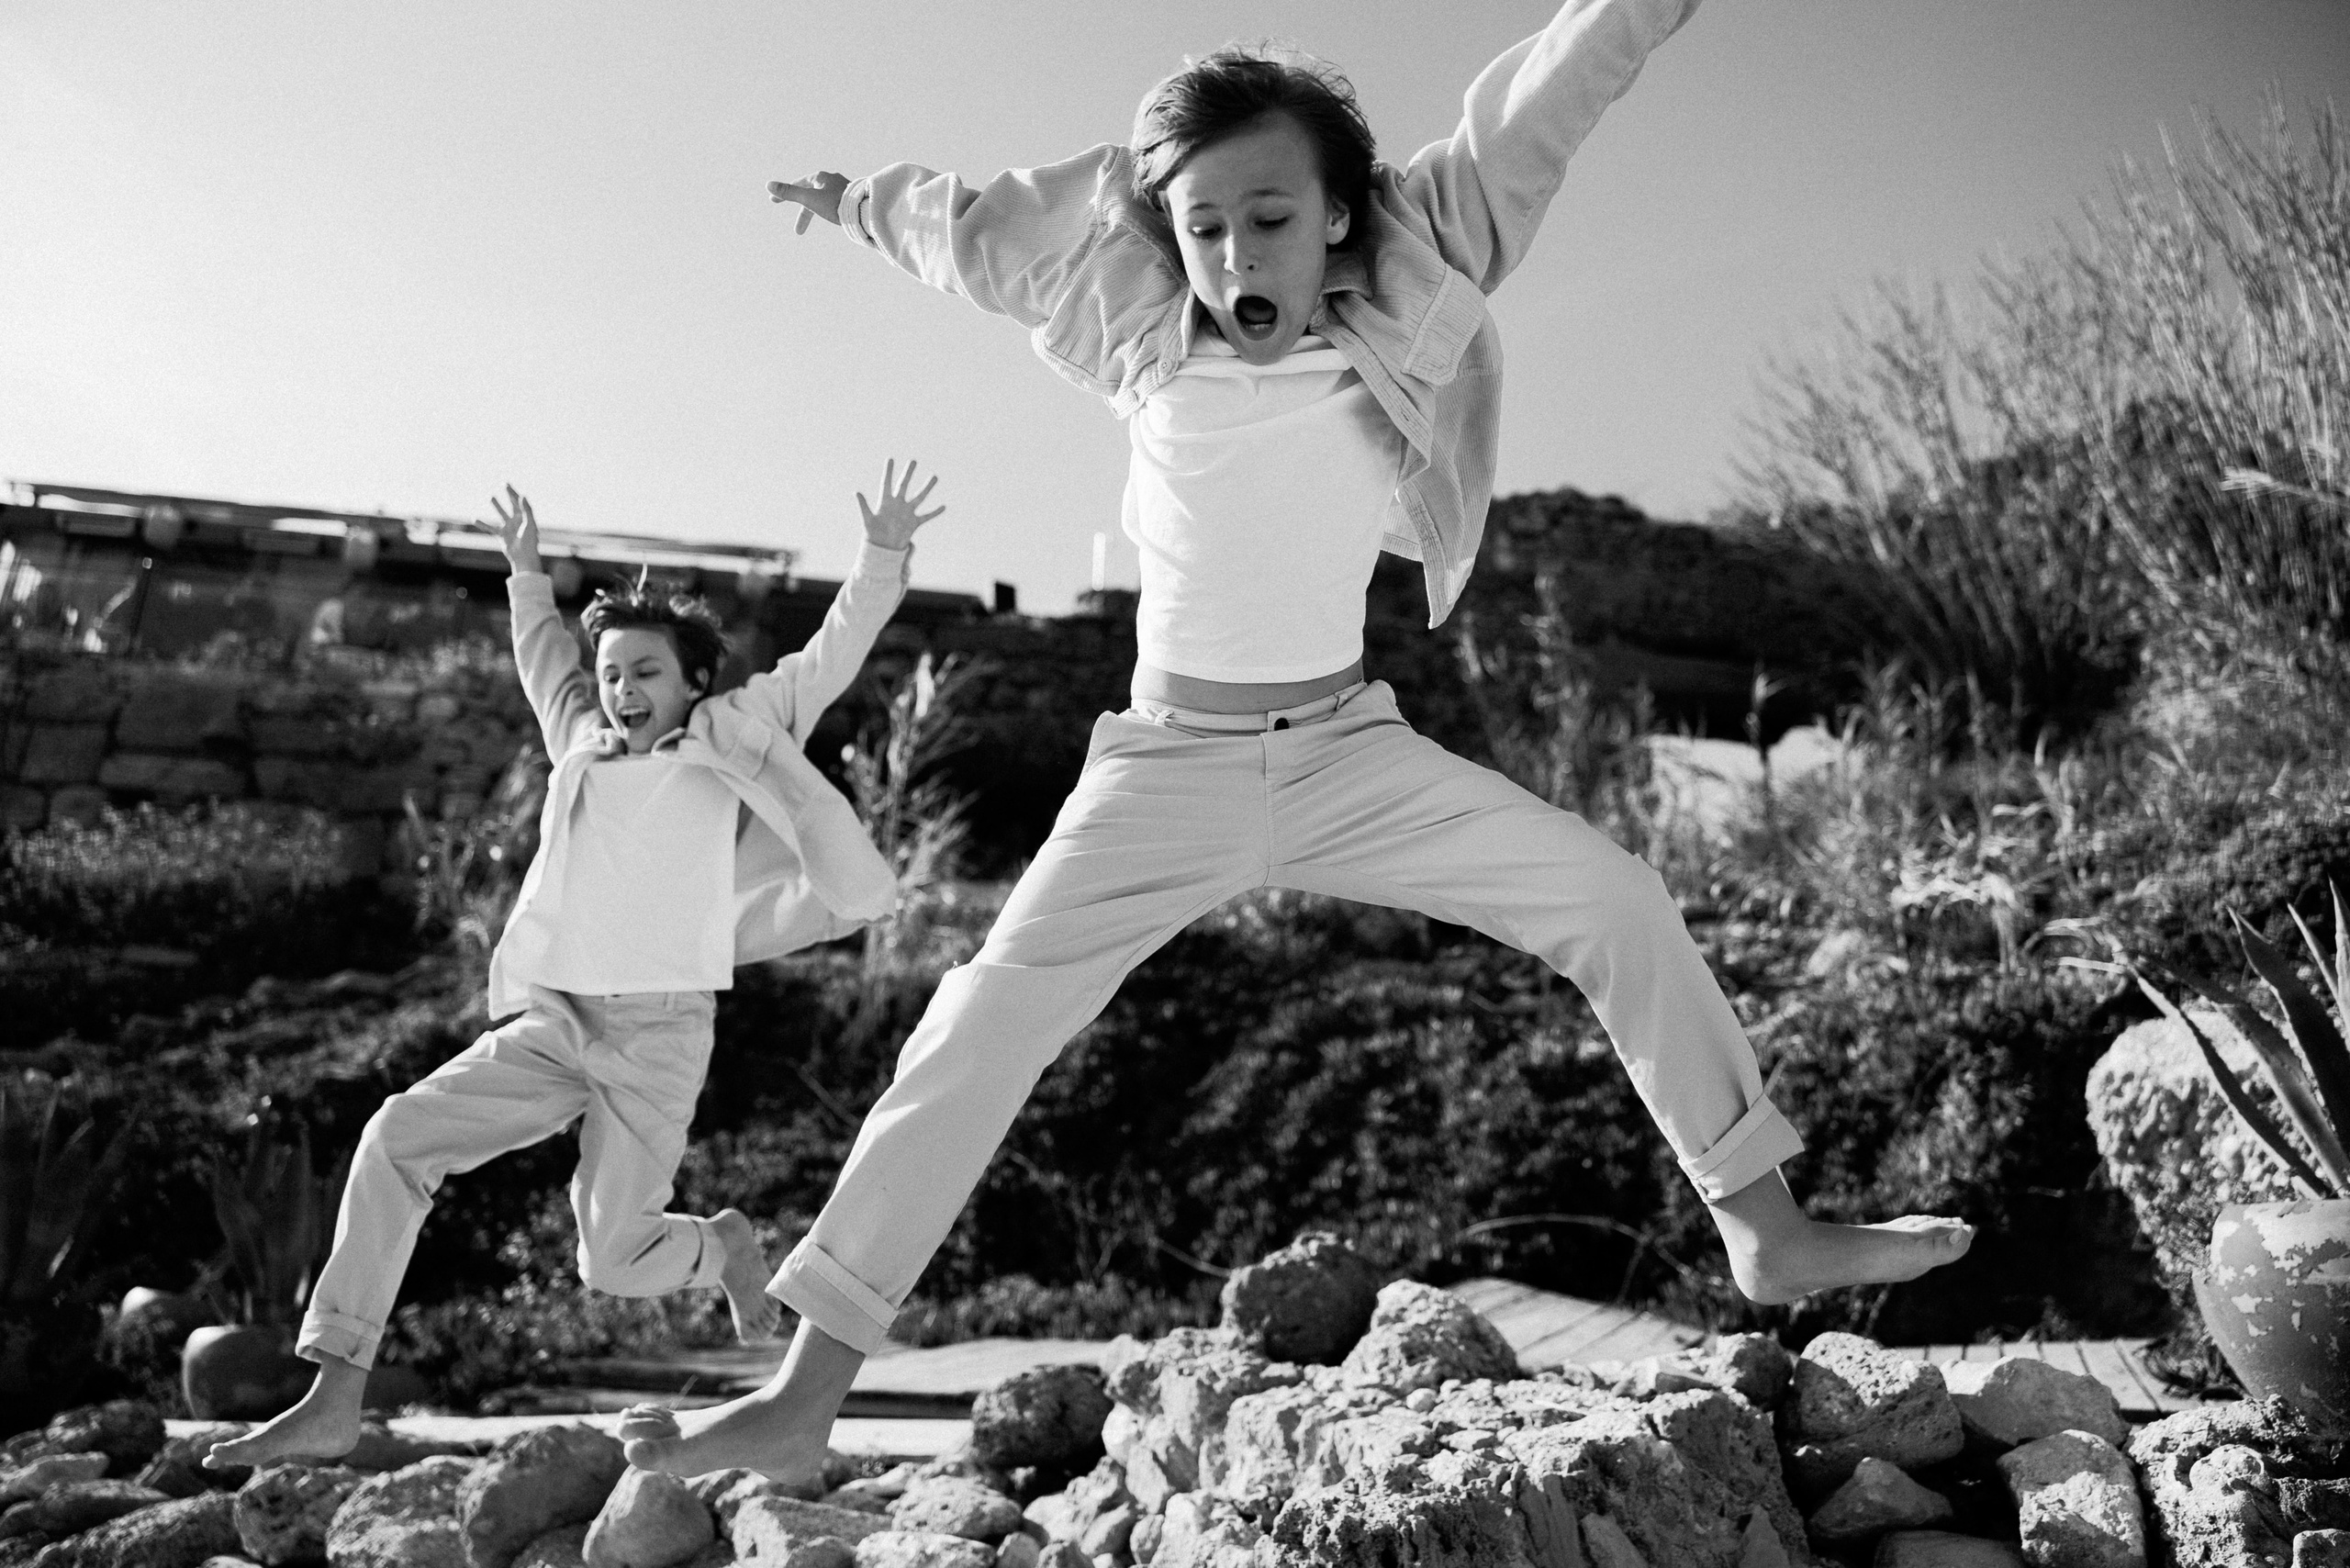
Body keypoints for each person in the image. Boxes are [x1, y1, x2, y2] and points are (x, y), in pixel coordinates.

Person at [622, 0, 1974, 1485]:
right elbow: (987, 234)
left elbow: (1552, 93)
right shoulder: (1137, 326)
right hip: (1163, 770)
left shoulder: (1414, 274)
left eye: (1267, 218)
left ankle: (1766, 1225)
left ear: (1337, 213)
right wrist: (864, 203)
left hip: (1347, 754)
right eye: (1200, 227)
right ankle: (809, 1386)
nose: (1232, 257)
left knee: (1614, 898)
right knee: (975, 1024)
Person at [208, 462, 946, 1467]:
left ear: (691, 678)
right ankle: (335, 1390)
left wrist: (882, 557)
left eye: (645, 672)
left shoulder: (738, 731)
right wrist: (525, 573)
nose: (622, 691)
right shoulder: (582, 747)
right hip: (556, 1022)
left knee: (611, 1260)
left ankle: (718, 1244)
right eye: (611, 676)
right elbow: (543, 660)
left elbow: (827, 658)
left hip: (658, 1032)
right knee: (395, 1137)